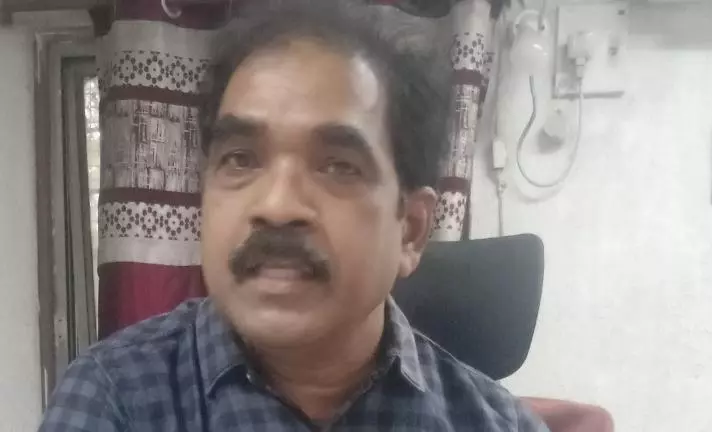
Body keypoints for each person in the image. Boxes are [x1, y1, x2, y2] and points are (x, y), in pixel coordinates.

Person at [40, 1, 548, 430]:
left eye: (338, 166)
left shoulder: (497, 424)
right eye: (241, 159)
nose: (277, 205)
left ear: (411, 230)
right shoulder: (113, 399)